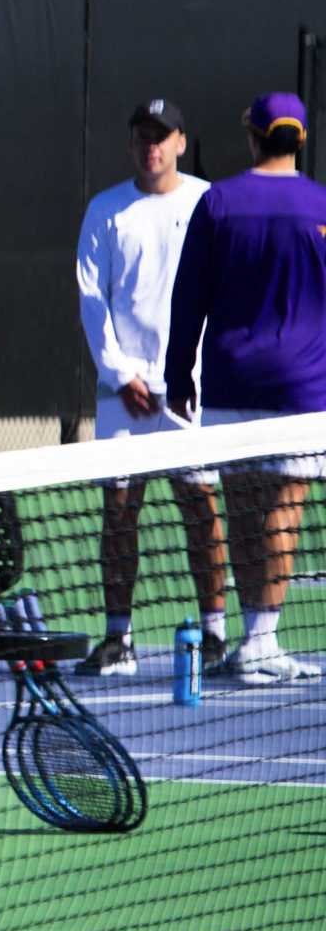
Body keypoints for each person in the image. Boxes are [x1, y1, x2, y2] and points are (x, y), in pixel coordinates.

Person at [163, 92, 326, 686]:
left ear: (254, 138)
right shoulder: (321, 205)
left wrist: (178, 376)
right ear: (298, 142)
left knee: (244, 507)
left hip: (231, 380)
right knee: (285, 507)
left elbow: (188, 297)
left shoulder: (219, 201)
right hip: (304, 387)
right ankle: (261, 640)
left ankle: (254, 643)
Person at [73, 98, 224, 677]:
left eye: (162, 136)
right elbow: (92, 299)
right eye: (142, 135)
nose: (151, 146)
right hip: (125, 395)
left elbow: (219, 291)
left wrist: (189, 373)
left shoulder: (208, 203)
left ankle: (213, 635)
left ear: (181, 142)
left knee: (201, 509)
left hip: (190, 392)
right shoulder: (105, 211)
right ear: (132, 143)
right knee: (119, 513)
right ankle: (119, 638)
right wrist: (119, 375)